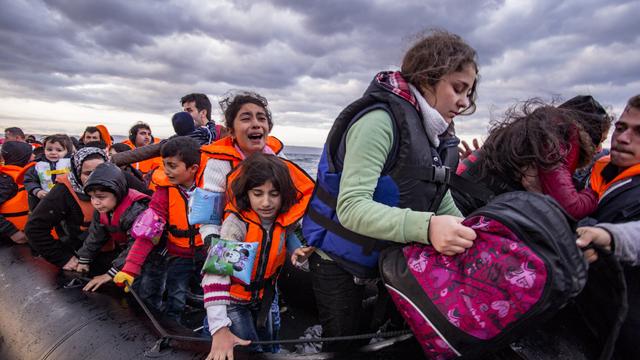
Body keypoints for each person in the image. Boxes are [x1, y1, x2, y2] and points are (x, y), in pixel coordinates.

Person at [302, 30, 478, 351]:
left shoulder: (432, 134)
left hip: (385, 261)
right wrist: (427, 227)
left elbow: (440, 198)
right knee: (343, 346)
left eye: (469, 92)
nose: (465, 101)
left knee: (376, 342)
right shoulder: (379, 122)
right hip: (338, 264)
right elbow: (352, 207)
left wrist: (477, 237)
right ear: (428, 78)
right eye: (458, 88)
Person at [203, 153, 314, 358]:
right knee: (250, 350)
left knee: (270, 343)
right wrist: (219, 328)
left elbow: (284, 235)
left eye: (274, 194)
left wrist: (296, 249)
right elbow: (215, 275)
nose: (266, 203)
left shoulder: (283, 219)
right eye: (258, 193)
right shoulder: (236, 225)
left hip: (267, 296)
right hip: (235, 300)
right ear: (247, 193)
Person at [453, 98, 608, 219]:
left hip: (456, 201)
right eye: (600, 141)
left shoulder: (533, 133)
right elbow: (571, 207)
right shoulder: (554, 143)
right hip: (460, 212)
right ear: (587, 136)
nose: (600, 149)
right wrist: (596, 193)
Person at [576, 94, 640, 358]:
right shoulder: (600, 173)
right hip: (589, 328)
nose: (623, 138)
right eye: (622, 127)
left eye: (639, 132)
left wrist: (609, 237)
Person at [115, 136, 205, 323]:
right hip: (178, 255)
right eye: (165, 165)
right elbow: (148, 232)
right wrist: (130, 268)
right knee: (176, 297)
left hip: (206, 253)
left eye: (172, 165)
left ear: (193, 169)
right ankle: (173, 330)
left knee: (210, 297)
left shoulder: (212, 187)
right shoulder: (164, 193)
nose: (166, 171)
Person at [72, 162, 151, 292]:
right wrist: (84, 259)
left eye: (101, 197)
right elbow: (96, 235)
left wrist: (111, 273)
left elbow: (136, 245)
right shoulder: (103, 209)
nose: (96, 202)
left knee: (146, 289)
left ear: (118, 193)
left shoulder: (136, 211)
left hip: (151, 256)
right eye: (92, 197)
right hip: (127, 253)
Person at [26, 147, 108, 269]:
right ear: (77, 172)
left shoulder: (121, 182)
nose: (95, 177)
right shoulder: (63, 191)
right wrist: (63, 258)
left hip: (120, 256)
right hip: (84, 259)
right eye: (87, 173)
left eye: (101, 171)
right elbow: (35, 228)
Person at [23, 134, 73, 211]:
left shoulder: (72, 164)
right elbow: (29, 180)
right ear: (44, 149)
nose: (53, 152)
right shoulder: (37, 165)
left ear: (67, 151)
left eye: (59, 150)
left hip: (66, 201)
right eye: (49, 149)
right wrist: (37, 191)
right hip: (42, 201)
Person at [0, 141, 33, 244]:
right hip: (8, 239)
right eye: (31, 154)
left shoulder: (26, 175)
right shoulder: (6, 181)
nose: (34, 156)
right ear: (23, 157)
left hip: (25, 236)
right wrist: (13, 232)